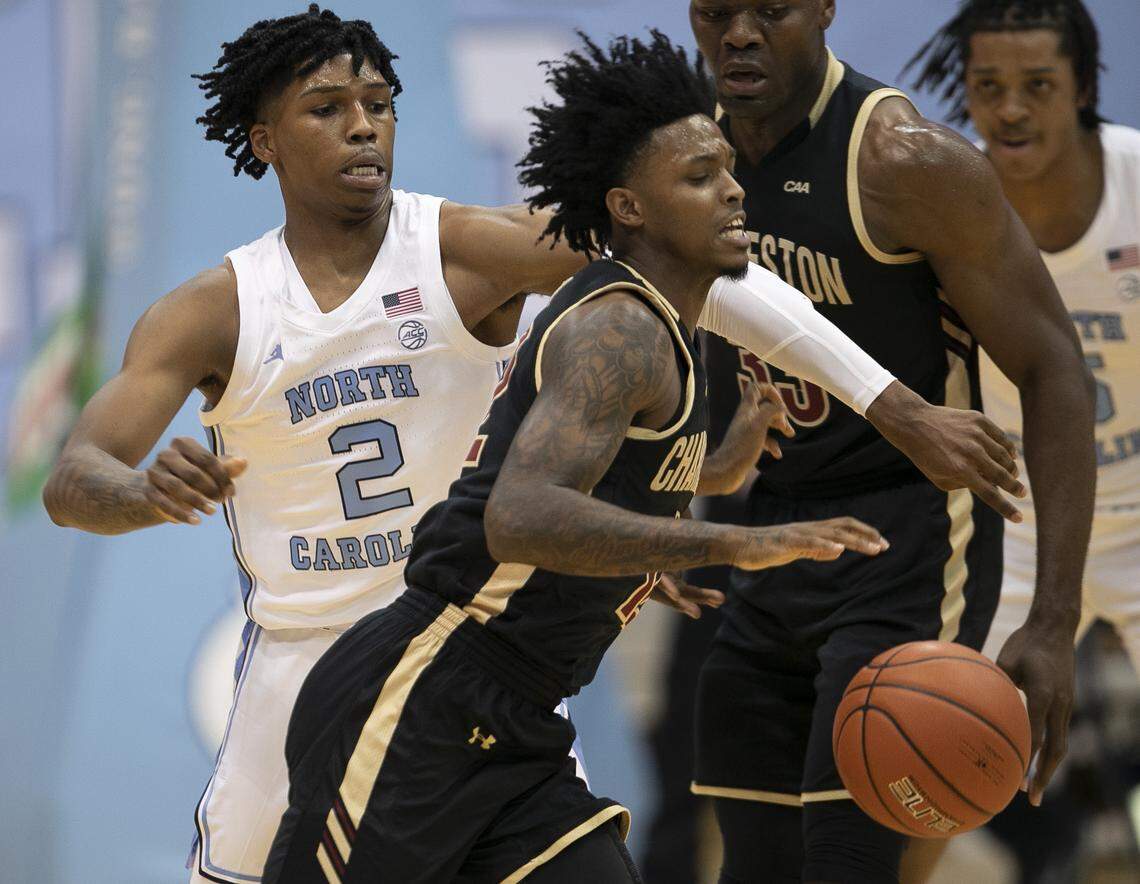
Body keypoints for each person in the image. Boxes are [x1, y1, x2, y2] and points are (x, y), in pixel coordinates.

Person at [41, 6, 1031, 882]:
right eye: (327, 108)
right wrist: (141, 492)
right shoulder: (213, 309)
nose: (363, 125)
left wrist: (889, 406)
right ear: (264, 139)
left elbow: (705, 267)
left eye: (378, 103)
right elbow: (75, 477)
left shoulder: (468, 250)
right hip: (322, 665)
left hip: (495, 660)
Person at [262, 31, 893, 883]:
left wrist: (718, 469)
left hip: (517, 721)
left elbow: (615, 479)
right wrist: (736, 542)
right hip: (424, 700)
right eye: (699, 177)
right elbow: (521, 517)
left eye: (727, 169)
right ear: (630, 208)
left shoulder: (668, 327)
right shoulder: (618, 328)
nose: (733, 189)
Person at [686, 2, 1097, 882]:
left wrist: (1054, 619)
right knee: (752, 859)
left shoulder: (903, 162)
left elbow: (1055, 367)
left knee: (850, 857)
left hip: (909, 533)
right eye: (717, 10)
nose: (740, 32)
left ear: (825, 7)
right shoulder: (684, 153)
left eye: (771, 8)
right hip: (770, 527)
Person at [908, 1, 1140, 879]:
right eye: (988, 86)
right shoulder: (947, 201)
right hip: (1012, 525)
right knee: (930, 758)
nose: (1009, 109)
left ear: (1081, 88)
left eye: (1037, 85)